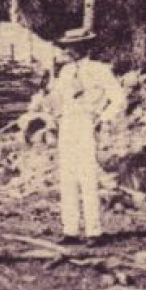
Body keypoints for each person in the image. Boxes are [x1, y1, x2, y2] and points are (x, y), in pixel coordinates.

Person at [45, 26, 126, 242]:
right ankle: (70, 230)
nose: (68, 51)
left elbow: (118, 98)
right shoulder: (65, 72)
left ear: (83, 48)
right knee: (68, 178)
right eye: (67, 47)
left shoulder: (99, 70)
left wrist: (103, 118)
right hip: (68, 126)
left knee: (88, 177)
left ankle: (94, 231)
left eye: (72, 47)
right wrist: (54, 116)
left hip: (87, 125)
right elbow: (59, 99)